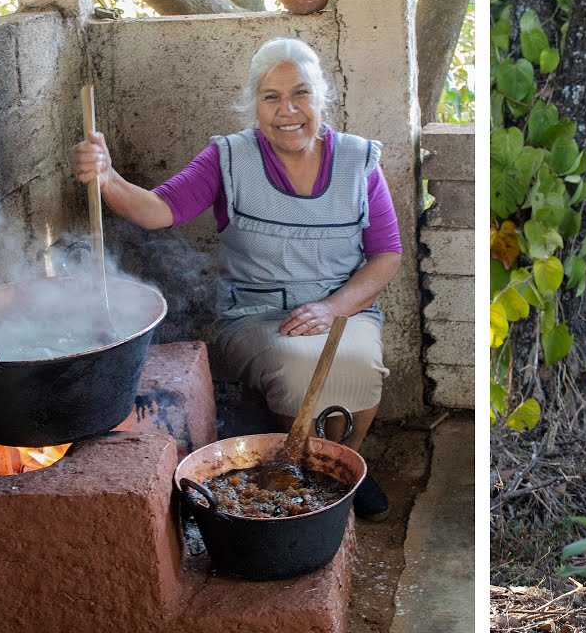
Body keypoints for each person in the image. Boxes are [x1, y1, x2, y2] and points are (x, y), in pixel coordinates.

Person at [70, 37, 401, 521]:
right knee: (294, 364)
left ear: (321, 98)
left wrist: (332, 309)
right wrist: (108, 178)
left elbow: (386, 255)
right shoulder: (228, 159)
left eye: (301, 94)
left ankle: (348, 464)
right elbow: (160, 211)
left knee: (359, 362)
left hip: (343, 308)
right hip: (256, 313)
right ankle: (308, 471)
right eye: (271, 97)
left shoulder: (358, 161)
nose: (287, 110)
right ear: (254, 105)